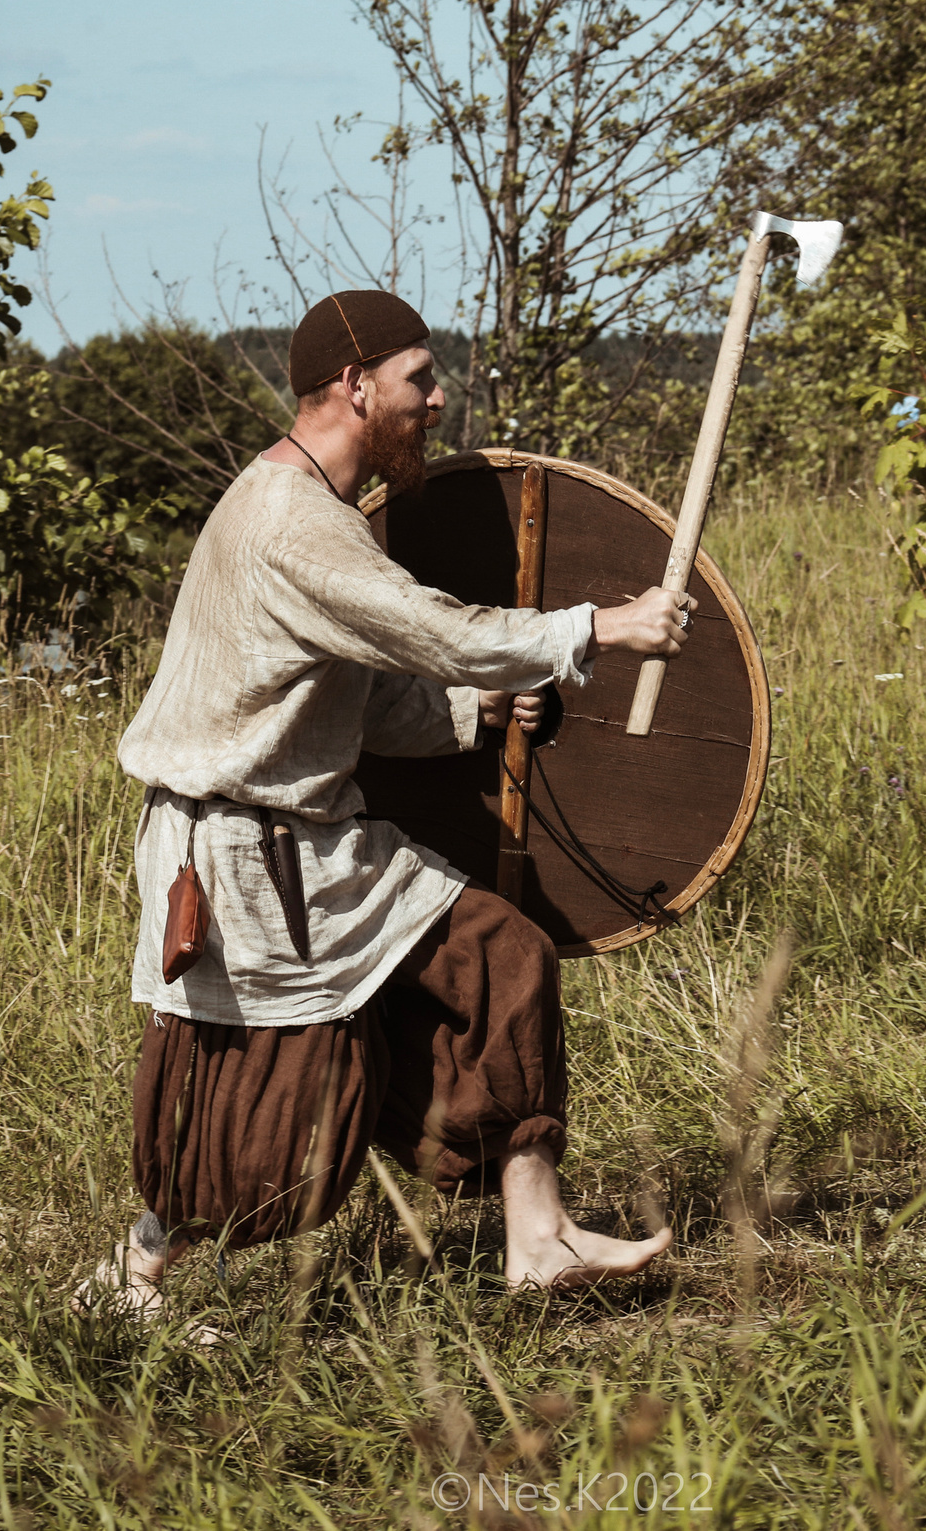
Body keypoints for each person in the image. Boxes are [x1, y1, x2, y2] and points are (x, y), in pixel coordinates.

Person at [76, 288, 689, 1319]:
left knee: (505, 957)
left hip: (313, 843)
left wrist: (478, 709)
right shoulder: (289, 522)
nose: (438, 400)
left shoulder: (314, 512)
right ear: (357, 387)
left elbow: (357, 705)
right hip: (246, 861)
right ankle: (129, 1281)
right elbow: (431, 628)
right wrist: (601, 627)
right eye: (421, 379)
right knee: (272, 1131)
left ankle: (537, 1238)